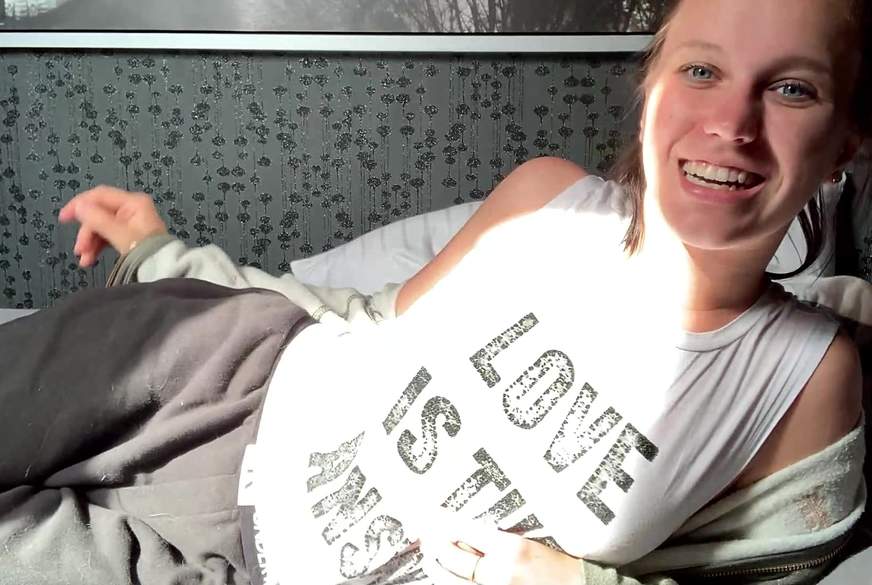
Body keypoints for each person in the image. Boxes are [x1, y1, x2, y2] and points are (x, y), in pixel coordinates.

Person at [3, 0, 870, 583]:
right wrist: (165, 255)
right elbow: (366, 317)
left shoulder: (808, 380)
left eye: (792, 88)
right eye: (702, 71)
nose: (731, 124)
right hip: (221, 373)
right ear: (651, 89)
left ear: (846, 140)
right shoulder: (546, 197)